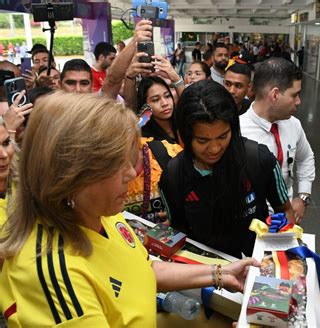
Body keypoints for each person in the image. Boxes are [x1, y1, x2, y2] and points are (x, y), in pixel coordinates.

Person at [0, 91, 258, 326]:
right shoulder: (53, 276)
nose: (132, 173)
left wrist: (221, 273)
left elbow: (142, 270)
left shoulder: (104, 214)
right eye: (116, 163)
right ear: (70, 175)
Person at [159, 80, 295, 257]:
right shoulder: (173, 175)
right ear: (185, 135)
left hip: (256, 264)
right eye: (202, 141)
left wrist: (279, 259)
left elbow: (284, 209)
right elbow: (177, 230)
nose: (215, 149)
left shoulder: (259, 159)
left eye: (223, 136)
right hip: (206, 272)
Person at [240, 58, 315, 223]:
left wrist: (302, 197)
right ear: (274, 95)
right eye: (294, 95)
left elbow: (306, 158)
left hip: (287, 217)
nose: (299, 101)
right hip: (252, 220)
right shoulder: (239, 131)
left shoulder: (294, 125)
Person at [137, 76, 178, 144]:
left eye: (167, 96)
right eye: (156, 100)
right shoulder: (145, 139)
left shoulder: (182, 123)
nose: (165, 103)